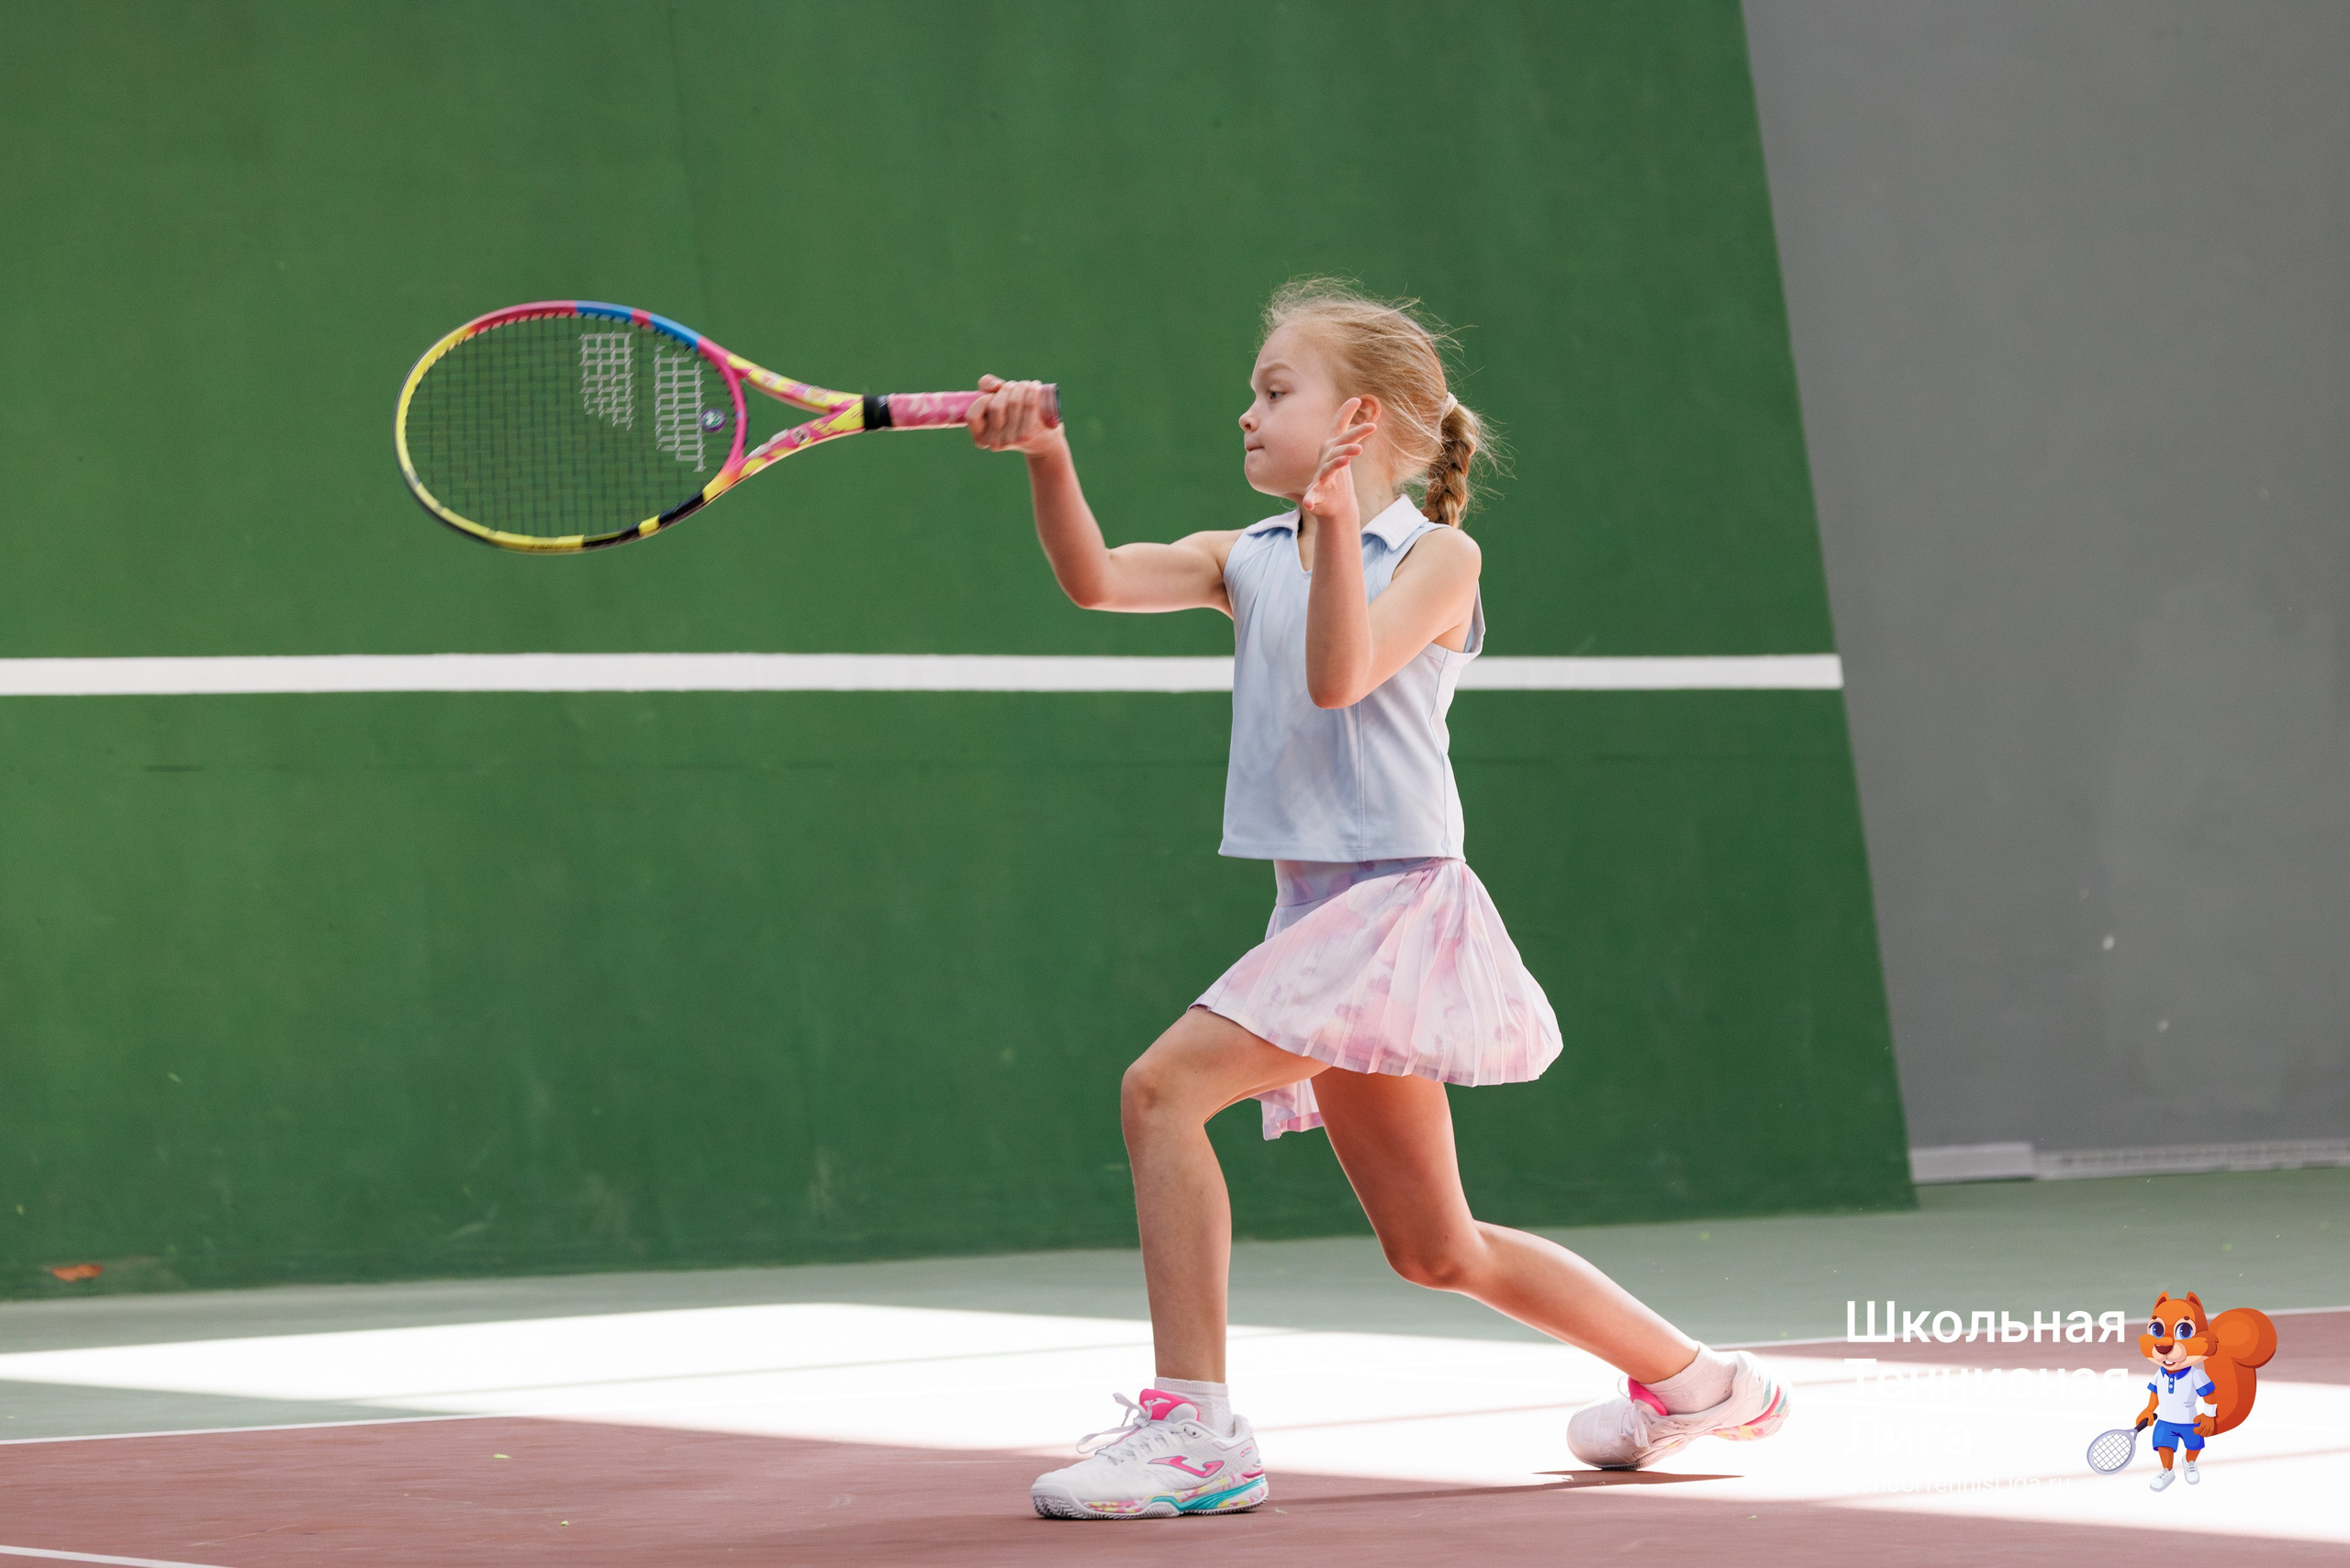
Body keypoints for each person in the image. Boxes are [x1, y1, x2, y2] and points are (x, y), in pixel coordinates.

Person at [966, 281, 1787, 1521]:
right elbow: (1095, 579)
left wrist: (1341, 525)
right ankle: (1699, 1384)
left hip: (1398, 908)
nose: (1245, 413)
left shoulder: (1441, 557)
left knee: (1160, 1092)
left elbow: (1342, 674)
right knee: (1436, 1248)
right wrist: (1048, 457)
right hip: (1320, 915)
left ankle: (1197, 1432)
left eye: (1273, 391)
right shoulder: (1239, 558)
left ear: (1360, 420)